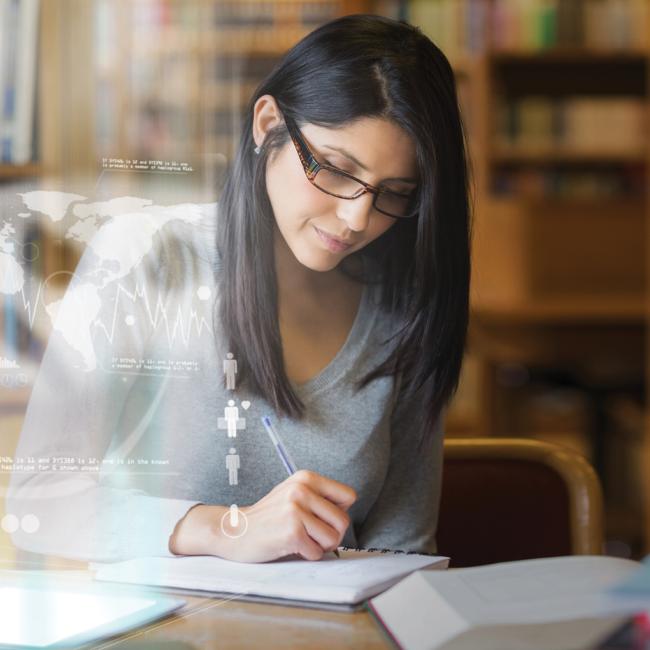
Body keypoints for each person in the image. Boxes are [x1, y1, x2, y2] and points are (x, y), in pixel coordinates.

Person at [6, 14, 470, 564]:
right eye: (336, 170)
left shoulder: (406, 306)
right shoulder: (145, 256)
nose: (356, 218)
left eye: (395, 192)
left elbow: (402, 551)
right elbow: (39, 504)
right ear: (267, 123)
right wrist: (226, 529)